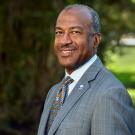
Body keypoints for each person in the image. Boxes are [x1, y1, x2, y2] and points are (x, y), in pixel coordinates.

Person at [37, 4, 135, 135]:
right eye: (59, 32)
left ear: (95, 40)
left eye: (75, 32)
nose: (64, 41)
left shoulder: (110, 94)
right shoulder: (54, 91)